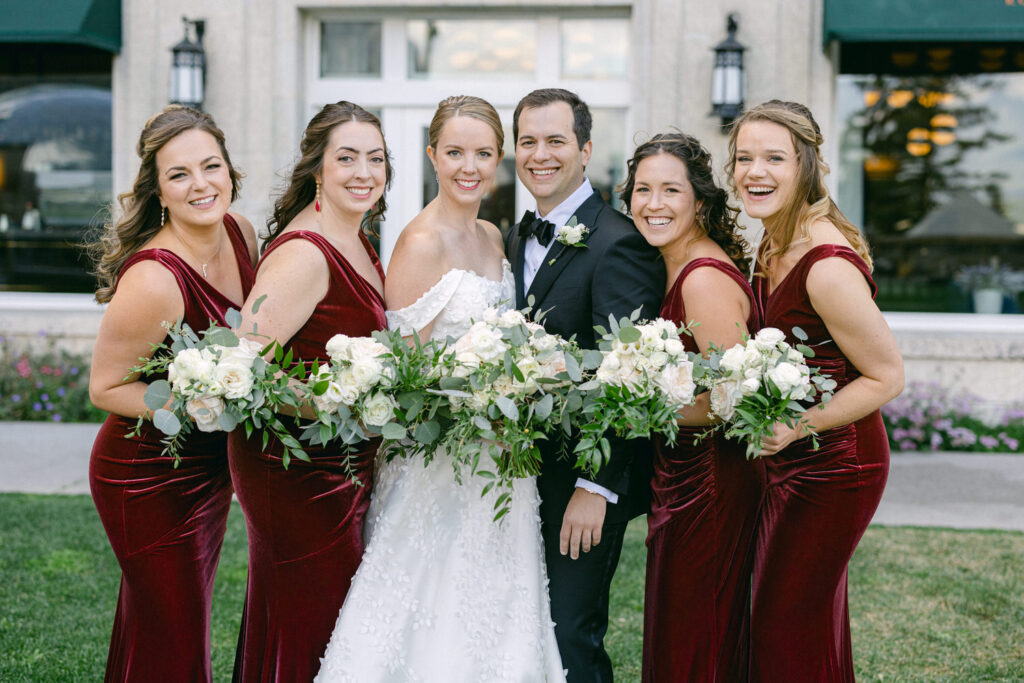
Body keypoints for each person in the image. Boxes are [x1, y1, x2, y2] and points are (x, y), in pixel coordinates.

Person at [315, 95, 565, 682]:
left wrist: (521, 385)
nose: (468, 167)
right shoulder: (419, 243)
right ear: (432, 156)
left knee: (501, 606)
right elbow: (402, 377)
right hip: (439, 465)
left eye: (482, 153)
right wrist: (479, 397)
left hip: (505, 463)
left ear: (500, 159)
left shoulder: (493, 237)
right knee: (429, 605)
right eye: (454, 152)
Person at [728, 100, 904, 681]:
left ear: (806, 165)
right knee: (796, 617)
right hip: (790, 456)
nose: (756, 171)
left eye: (774, 157)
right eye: (744, 158)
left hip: (838, 464)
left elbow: (887, 376)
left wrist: (799, 426)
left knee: (783, 621)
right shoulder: (773, 243)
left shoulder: (826, 264)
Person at [87, 105, 258, 682]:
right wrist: (189, 405)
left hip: (206, 465)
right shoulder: (154, 278)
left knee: (161, 626)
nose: (201, 184)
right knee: (177, 634)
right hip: (144, 475)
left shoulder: (243, 234)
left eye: (211, 166)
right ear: (158, 190)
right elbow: (105, 388)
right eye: (179, 174)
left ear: (230, 171)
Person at [227, 101, 391, 682]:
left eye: (375, 158)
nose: (363, 171)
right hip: (295, 471)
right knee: (313, 622)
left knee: (331, 624)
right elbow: (246, 367)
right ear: (317, 169)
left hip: (338, 463)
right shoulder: (304, 252)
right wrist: (331, 404)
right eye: (346, 158)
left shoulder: (358, 238)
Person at [507, 88, 665, 681]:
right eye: (528, 142)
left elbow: (630, 378)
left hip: (580, 479)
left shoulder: (618, 241)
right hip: (523, 474)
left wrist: (596, 488)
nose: (539, 155)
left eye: (556, 141)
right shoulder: (518, 234)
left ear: (586, 149)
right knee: (527, 628)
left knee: (571, 634)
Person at [619, 132, 764, 682]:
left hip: (710, 482)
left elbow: (736, 396)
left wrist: (640, 406)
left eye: (670, 191)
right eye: (642, 189)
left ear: (699, 202)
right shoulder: (675, 263)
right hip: (683, 476)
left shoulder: (702, 278)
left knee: (696, 631)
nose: (653, 204)